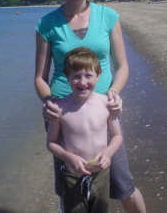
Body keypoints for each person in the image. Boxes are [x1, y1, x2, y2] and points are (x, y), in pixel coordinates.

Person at [35, 0, 147, 213]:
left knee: (123, 184)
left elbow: (123, 66)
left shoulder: (108, 16)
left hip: (103, 112)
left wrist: (115, 94)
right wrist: (48, 101)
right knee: (73, 189)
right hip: (64, 116)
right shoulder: (46, 24)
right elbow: (39, 77)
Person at [47, 47, 123, 213]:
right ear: (67, 77)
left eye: (88, 75)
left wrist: (108, 153)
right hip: (72, 175)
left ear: (98, 75)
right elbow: (51, 143)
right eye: (76, 77)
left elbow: (117, 136)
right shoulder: (59, 108)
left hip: (100, 173)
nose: (82, 82)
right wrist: (68, 157)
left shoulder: (106, 104)